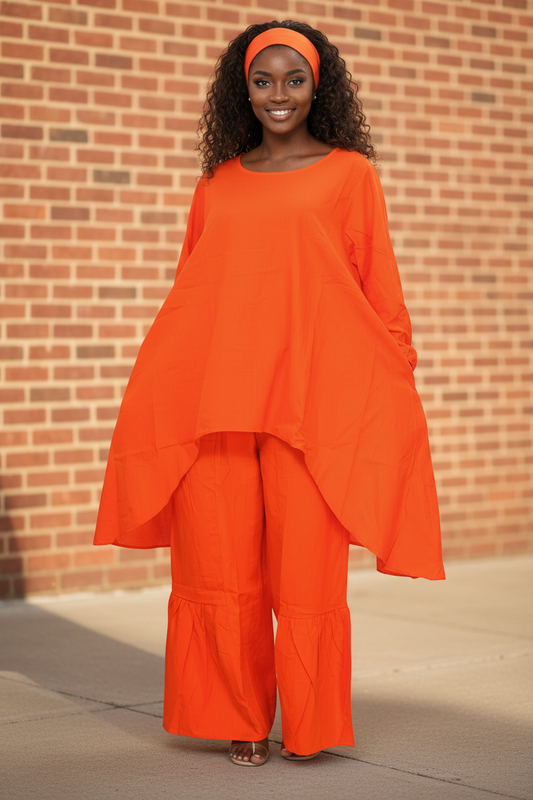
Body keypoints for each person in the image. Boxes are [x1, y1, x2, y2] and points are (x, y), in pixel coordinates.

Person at [94, 20, 445, 767]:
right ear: (243, 90)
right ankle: (242, 719)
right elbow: (193, 291)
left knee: (307, 576)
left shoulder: (351, 175)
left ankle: (309, 723)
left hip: (309, 404)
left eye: (293, 79)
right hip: (214, 403)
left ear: (318, 87)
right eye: (262, 80)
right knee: (218, 570)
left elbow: (377, 285)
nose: (277, 93)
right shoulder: (216, 183)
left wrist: (396, 367)